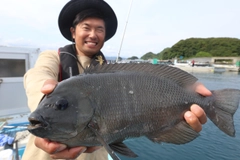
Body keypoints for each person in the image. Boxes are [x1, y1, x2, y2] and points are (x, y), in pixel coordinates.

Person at [22, 0, 211, 159]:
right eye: (86, 28)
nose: (93, 34)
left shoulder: (112, 72)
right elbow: (36, 75)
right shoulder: (52, 57)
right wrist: (45, 95)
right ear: (73, 31)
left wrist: (186, 89)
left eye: (99, 30)